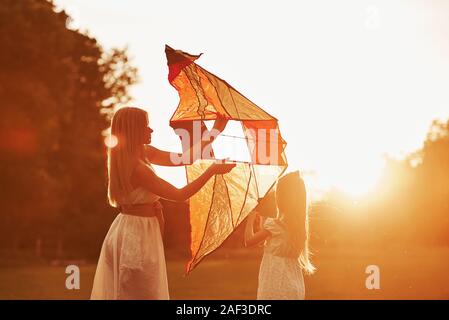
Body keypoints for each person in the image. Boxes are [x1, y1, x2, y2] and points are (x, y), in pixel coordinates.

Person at [91, 106, 234, 299]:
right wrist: (211, 171)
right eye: (146, 126)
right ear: (134, 130)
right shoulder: (138, 169)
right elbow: (179, 195)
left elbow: (186, 158)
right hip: (136, 235)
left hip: (133, 229)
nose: (151, 130)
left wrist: (215, 131)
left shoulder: (143, 153)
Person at [244, 171, 315, 300]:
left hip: (276, 284)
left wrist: (249, 220)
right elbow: (269, 240)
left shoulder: (275, 225)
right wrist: (261, 220)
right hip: (292, 285)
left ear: (281, 198)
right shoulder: (297, 228)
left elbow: (249, 241)